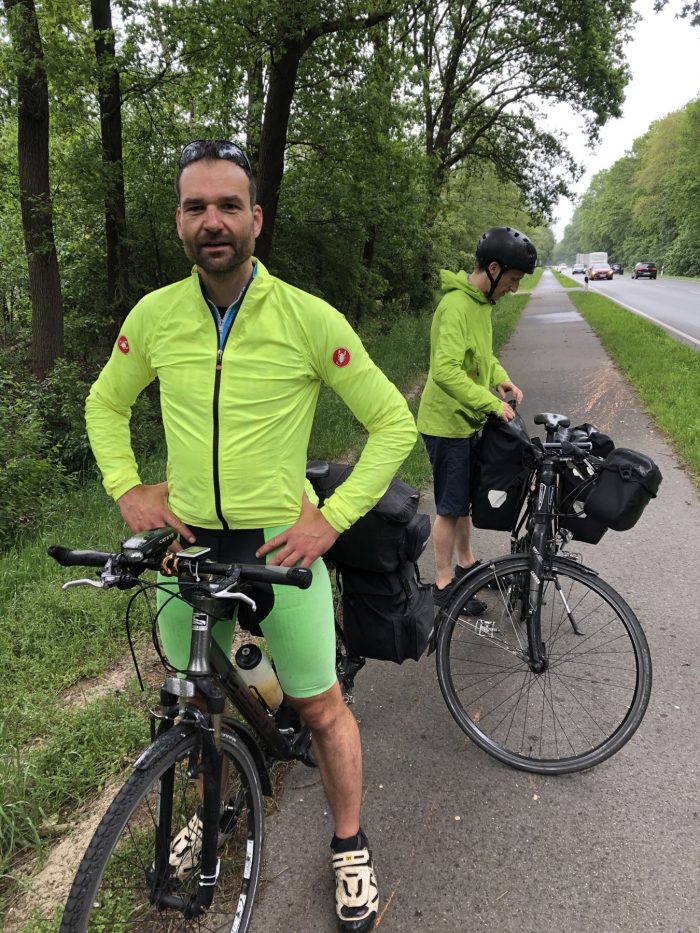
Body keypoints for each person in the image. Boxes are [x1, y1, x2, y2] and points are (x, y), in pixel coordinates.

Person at [85, 139, 417, 932]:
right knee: (195, 703)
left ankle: (348, 842)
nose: (213, 220)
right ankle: (214, 802)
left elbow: (392, 422)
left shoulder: (306, 316)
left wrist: (329, 518)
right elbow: (105, 402)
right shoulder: (155, 316)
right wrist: (128, 488)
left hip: (278, 546)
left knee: (323, 709)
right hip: (189, 546)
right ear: (178, 221)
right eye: (196, 206)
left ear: (256, 219)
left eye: (228, 205)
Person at [416, 226, 537, 610]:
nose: (514, 288)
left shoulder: (481, 305)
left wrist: (500, 378)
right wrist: (491, 404)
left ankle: (467, 565)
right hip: (445, 425)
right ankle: (443, 584)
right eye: (513, 279)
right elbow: (445, 372)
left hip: (465, 421)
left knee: (464, 501)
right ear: (494, 269)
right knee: (450, 507)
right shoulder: (456, 306)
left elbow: (483, 356)